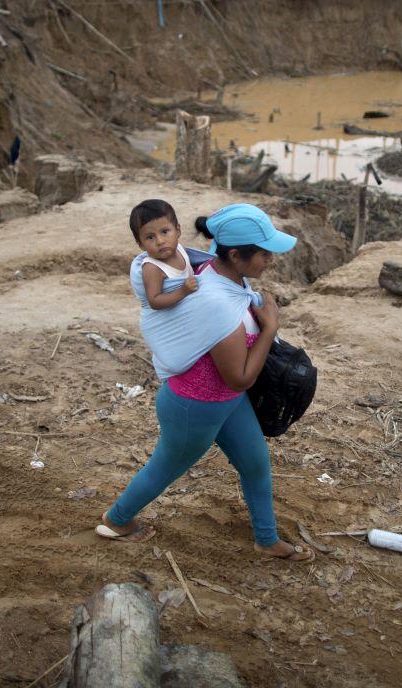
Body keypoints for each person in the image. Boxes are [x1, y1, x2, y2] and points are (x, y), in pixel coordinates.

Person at [98, 203, 314, 561]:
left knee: (256, 463)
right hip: (194, 406)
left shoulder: (225, 275)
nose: (270, 260)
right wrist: (270, 327)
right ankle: (117, 520)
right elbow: (241, 377)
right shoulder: (216, 302)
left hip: (225, 401)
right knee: (165, 468)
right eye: (264, 253)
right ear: (235, 254)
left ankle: (266, 539)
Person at [128, 199, 199, 310]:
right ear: (140, 244)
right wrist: (183, 291)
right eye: (150, 237)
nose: (160, 241)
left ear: (178, 230)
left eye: (165, 232)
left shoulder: (180, 249)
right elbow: (155, 301)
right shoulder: (152, 268)